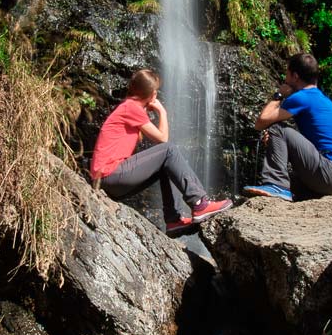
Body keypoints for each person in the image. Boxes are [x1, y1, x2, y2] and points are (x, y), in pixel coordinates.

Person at [91, 68, 233, 234]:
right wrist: (162, 112)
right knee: (169, 150)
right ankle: (200, 203)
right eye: (156, 91)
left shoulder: (129, 107)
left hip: (108, 179)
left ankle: (173, 220)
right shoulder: (131, 108)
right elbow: (163, 139)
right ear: (151, 94)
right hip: (110, 175)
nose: (156, 95)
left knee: (165, 164)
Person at [243, 52, 332, 201]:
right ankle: (283, 188)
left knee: (277, 128)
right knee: (289, 176)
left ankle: (276, 184)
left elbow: (261, 122)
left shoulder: (301, 97)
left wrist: (279, 95)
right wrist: (278, 142)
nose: (284, 78)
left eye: (287, 74)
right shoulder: (318, 97)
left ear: (295, 76)